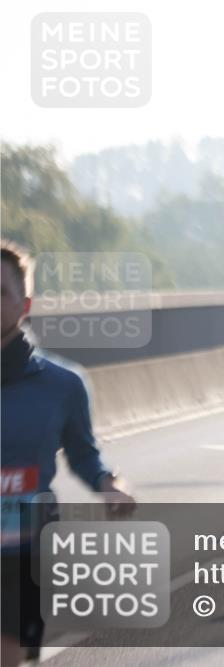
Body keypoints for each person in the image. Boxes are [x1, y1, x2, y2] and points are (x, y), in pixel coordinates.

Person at [1, 241, 137, 666]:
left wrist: (108, 485)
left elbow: (84, 455)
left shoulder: (61, 385)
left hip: (21, 553)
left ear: (24, 304)